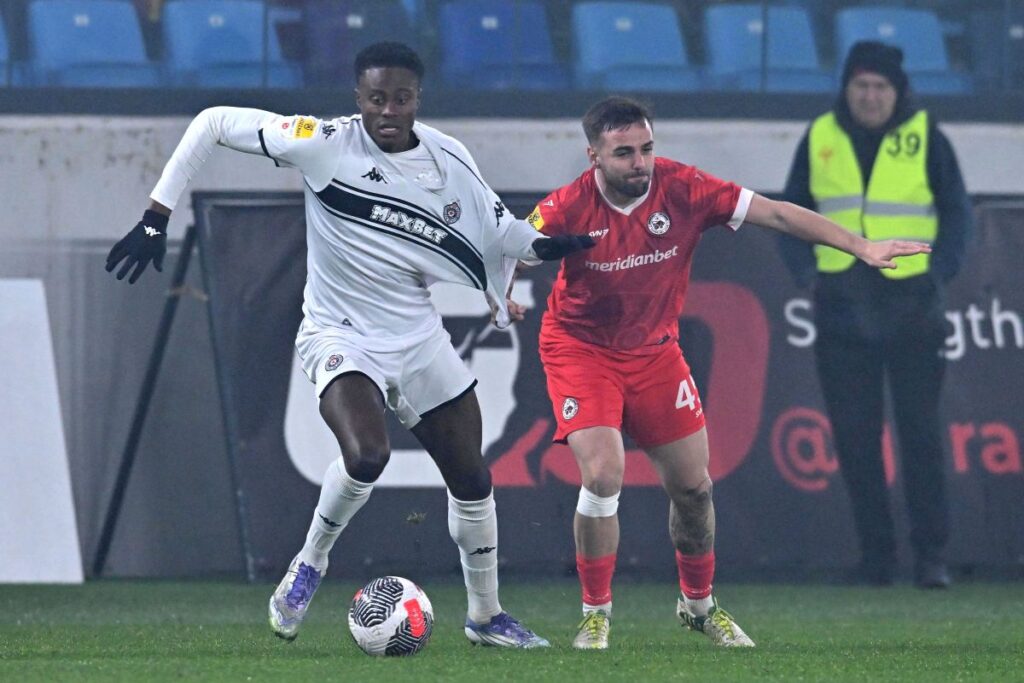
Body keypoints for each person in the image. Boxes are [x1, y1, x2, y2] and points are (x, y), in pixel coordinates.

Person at [105, 42, 594, 647]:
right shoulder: (322, 143)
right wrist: (156, 216)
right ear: (358, 99)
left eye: (401, 98)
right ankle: (310, 563)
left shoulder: (451, 158)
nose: (388, 110)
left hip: (417, 338)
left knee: (472, 478)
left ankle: (485, 616)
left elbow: (502, 233)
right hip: (339, 334)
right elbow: (210, 124)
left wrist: (547, 250)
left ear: (418, 99)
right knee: (367, 455)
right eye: (376, 98)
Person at [522, 96, 930, 650]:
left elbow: (779, 213)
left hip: (656, 352)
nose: (640, 163)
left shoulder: (683, 186)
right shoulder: (566, 207)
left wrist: (859, 245)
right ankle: (596, 613)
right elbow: (512, 249)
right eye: (624, 154)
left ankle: (697, 606)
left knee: (693, 488)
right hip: (581, 351)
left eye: (646, 148)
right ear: (593, 155)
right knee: (602, 476)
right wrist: (502, 294)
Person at [778, 41, 972, 589]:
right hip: (841, 305)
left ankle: (931, 557)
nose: (869, 96)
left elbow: (958, 210)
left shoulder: (927, 136)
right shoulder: (820, 136)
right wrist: (806, 274)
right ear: (846, 88)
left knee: (920, 437)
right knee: (856, 440)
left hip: (911, 304)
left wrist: (941, 273)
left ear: (898, 90)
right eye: (860, 85)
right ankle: (877, 558)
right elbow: (791, 209)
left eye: (880, 87)